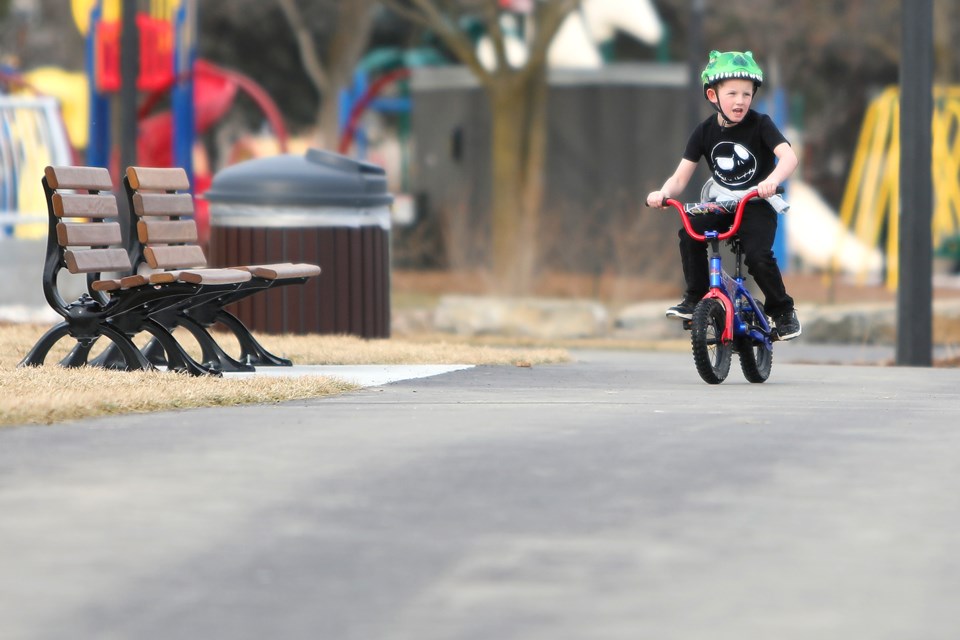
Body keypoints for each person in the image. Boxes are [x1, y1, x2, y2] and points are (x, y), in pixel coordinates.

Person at [646, 50, 801, 340]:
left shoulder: (761, 124)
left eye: (746, 93)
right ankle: (696, 298)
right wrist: (663, 193)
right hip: (722, 203)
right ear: (712, 95)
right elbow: (680, 176)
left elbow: (789, 158)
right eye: (732, 93)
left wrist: (771, 181)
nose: (741, 101)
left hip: (756, 202)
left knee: (758, 256)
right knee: (690, 232)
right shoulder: (704, 131)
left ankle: (782, 310)